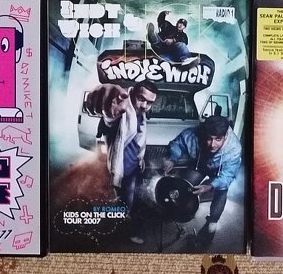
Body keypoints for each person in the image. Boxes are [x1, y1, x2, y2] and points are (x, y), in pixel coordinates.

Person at [163, 114, 242, 247]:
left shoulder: (234, 149)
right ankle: (179, 211)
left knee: (222, 191)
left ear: (225, 136)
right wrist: (172, 158)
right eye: (209, 139)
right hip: (201, 165)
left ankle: (211, 226)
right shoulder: (193, 135)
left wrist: (209, 186)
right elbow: (177, 143)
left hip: (220, 173)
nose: (212, 144)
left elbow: (227, 176)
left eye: (218, 139)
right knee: (184, 186)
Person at [95, 81, 158, 218]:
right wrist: (108, 110)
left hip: (134, 168)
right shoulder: (121, 109)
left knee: (129, 203)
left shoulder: (141, 114)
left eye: (149, 102)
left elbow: (140, 140)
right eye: (141, 98)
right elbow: (109, 119)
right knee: (117, 205)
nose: (144, 105)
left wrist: (140, 158)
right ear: (132, 93)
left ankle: (123, 221)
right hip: (119, 170)